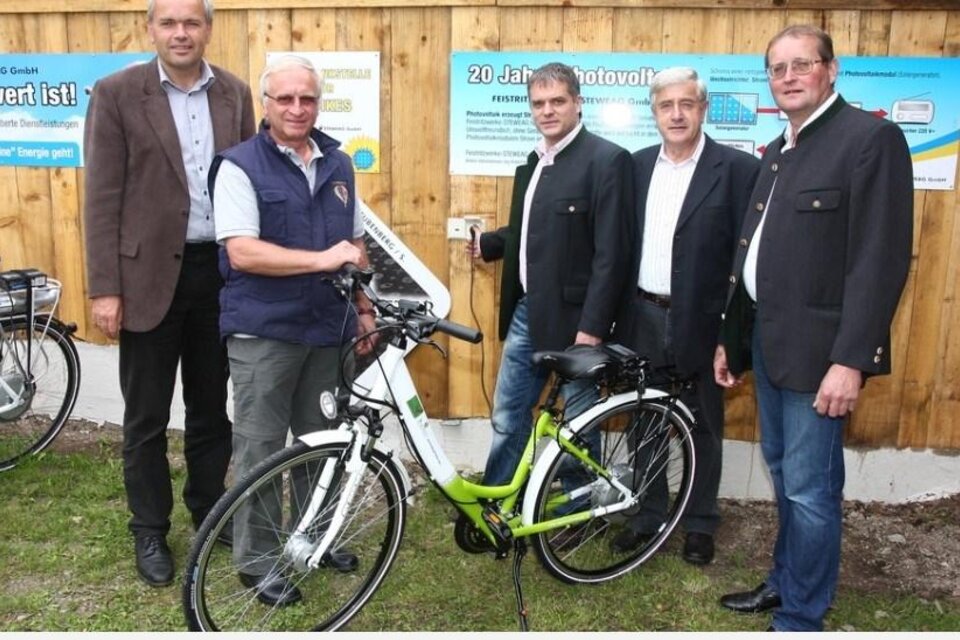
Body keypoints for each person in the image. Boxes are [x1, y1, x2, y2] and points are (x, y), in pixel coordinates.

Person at [713, 25, 913, 631]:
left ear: (831, 69)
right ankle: (786, 583)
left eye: (802, 65)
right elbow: (754, 254)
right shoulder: (779, 148)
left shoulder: (870, 139)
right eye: (778, 69)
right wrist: (732, 337)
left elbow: (879, 262)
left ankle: (802, 614)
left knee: (810, 489)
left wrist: (851, 360)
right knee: (787, 477)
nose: (789, 76)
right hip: (771, 350)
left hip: (823, 357)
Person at [83, 0, 255, 587]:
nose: (181, 33)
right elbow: (101, 198)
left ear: (208, 29)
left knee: (212, 410)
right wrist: (105, 287)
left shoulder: (233, 93)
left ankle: (208, 511)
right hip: (147, 279)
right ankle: (149, 529)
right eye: (169, 23)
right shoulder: (116, 92)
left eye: (192, 23)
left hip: (219, 275)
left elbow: (250, 182)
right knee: (147, 416)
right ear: (150, 29)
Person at [211, 54, 376, 607]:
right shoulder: (238, 166)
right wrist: (321, 260)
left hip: (328, 331)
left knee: (324, 442)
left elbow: (355, 247)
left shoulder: (338, 164)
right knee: (260, 448)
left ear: (318, 102)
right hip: (265, 332)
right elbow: (243, 251)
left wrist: (364, 306)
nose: (297, 108)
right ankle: (257, 561)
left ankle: (316, 539)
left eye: (307, 98)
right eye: (285, 98)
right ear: (266, 104)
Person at [610, 67, 758, 565]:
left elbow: (745, 260)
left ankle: (698, 522)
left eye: (686, 104)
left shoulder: (737, 170)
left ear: (703, 109)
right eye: (665, 105)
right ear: (653, 112)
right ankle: (647, 515)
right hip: (642, 316)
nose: (676, 113)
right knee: (643, 424)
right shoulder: (634, 167)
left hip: (703, 321)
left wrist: (732, 335)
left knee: (703, 426)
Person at [469, 61, 633, 487]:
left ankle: (579, 509)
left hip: (578, 323)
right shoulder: (536, 161)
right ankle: (497, 499)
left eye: (557, 101)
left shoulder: (607, 160)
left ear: (578, 103)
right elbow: (535, 231)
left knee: (578, 424)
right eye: (539, 103)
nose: (547, 110)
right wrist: (494, 243)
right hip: (528, 313)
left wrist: (592, 330)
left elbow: (612, 254)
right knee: (507, 414)